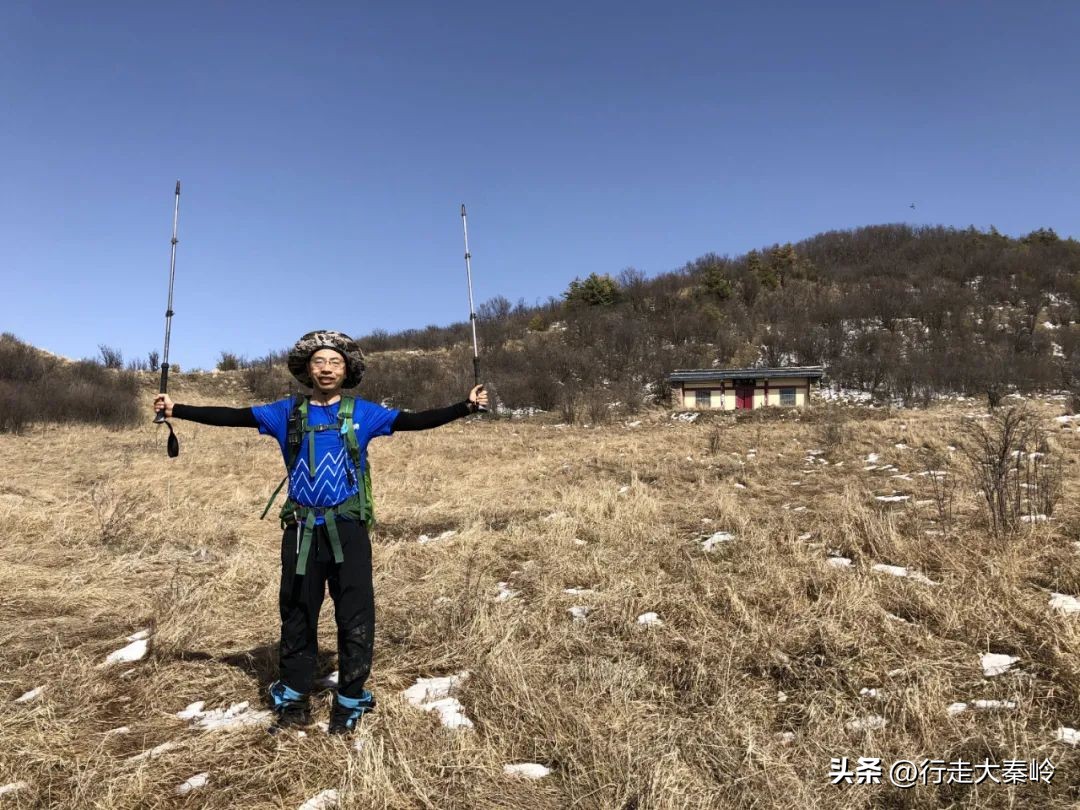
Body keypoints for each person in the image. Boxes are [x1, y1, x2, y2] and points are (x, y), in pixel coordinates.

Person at [153, 330, 487, 734]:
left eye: (335, 362)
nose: (326, 369)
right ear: (306, 370)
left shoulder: (364, 413)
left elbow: (415, 421)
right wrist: (177, 409)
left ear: (346, 370)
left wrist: (465, 407)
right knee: (297, 614)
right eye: (319, 362)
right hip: (300, 531)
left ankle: (349, 701)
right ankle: (293, 699)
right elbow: (233, 415)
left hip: (348, 531)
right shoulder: (286, 413)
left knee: (355, 615)